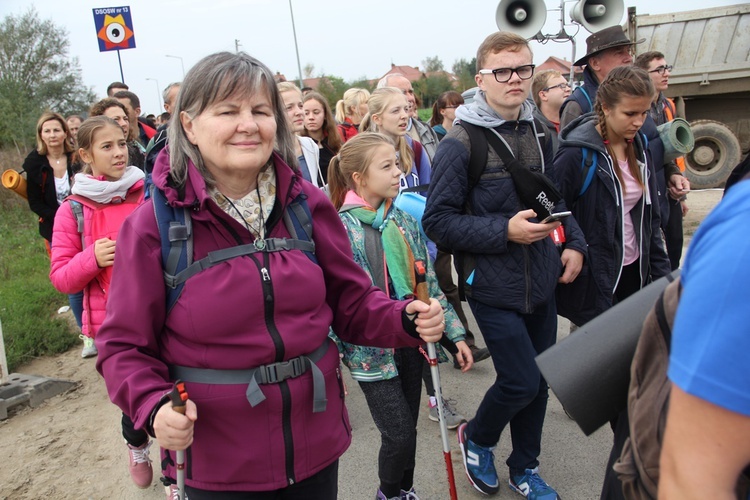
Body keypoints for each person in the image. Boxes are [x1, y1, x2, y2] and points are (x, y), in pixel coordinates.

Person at [94, 51, 446, 499]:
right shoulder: (154, 226)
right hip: (218, 462)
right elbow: (123, 346)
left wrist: (403, 318)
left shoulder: (307, 206)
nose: (248, 124)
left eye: (261, 111)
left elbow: (352, 304)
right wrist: (153, 405)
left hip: (315, 448)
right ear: (188, 125)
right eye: (228, 111)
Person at [423, 31, 587, 499]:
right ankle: (477, 437)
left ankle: (525, 467)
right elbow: (438, 222)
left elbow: (554, 197)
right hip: (492, 284)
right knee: (519, 380)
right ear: (482, 79)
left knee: (539, 384)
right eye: (503, 71)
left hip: (542, 280)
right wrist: (504, 232)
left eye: (523, 69)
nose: (514, 79)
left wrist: (573, 241)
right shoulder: (460, 142)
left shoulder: (540, 130)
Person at [327, 132, 473, 500]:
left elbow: (429, 284)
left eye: (397, 163)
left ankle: (406, 489)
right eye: (387, 166)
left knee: (409, 427)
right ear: (359, 177)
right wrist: (329, 357)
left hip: (411, 341)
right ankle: (389, 493)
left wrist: (454, 336)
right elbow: (332, 299)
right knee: (399, 432)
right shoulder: (339, 230)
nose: (399, 172)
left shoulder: (405, 221)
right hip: (369, 350)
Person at [553, 66, 671, 500]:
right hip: (598, 283)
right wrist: (575, 244)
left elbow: (649, 217)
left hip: (636, 278)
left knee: (638, 385)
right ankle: (632, 472)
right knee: (629, 391)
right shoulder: (578, 152)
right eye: (631, 113)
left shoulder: (640, 145)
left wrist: (664, 277)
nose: (640, 121)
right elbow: (553, 202)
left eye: (645, 112)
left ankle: (633, 468)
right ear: (604, 108)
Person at [48, 116, 153, 489]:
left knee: (175, 392)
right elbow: (61, 276)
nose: (118, 153)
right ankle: (136, 442)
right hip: (115, 325)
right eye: (106, 147)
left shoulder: (149, 193)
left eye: (122, 143)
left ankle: (177, 476)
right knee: (135, 400)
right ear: (85, 154)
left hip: (163, 313)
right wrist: (92, 257)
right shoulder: (73, 210)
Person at [659, 177, 750, 500]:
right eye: (630, 119)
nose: (638, 122)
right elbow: (691, 480)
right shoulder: (743, 232)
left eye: (642, 119)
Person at [22, 111, 85, 347]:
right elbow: (35, 203)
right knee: (74, 281)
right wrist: (62, 218)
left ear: (65, 132)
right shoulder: (33, 163)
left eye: (56, 130)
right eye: (46, 131)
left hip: (87, 225)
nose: (52, 135)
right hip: (55, 231)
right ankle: (87, 336)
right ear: (41, 135)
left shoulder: (78, 158)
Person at [634, 51, 691, 270]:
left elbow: (674, 152)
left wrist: (679, 186)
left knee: (675, 245)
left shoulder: (668, 106)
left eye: (667, 68)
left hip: (670, 190)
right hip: (650, 189)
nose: (665, 74)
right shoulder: (638, 109)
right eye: (659, 70)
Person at [559, 25, 643, 130]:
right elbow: (568, 145)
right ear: (595, 63)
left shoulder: (637, 95)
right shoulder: (577, 105)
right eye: (619, 53)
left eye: (628, 51)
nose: (629, 58)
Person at [360, 87, 431, 191]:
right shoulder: (365, 154)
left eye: (406, 109)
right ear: (377, 119)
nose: (404, 116)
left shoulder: (415, 148)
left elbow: (428, 194)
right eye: (395, 111)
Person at [378, 74, 439, 161]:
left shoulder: (427, 131)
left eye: (411, 92)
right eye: (402, 93)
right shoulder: (369, 141)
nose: (410, 98)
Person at [278, 81, 324, 187]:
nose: (298, 112)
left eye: (300, 106)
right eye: (289, 108)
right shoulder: (269, 152)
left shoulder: (310, 145)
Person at [89, 98, 145, 171]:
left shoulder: (137, 152)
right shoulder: (89, 157)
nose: (124, 124)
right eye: (116, 119)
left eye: (125, 119)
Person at [302, 91, 342, 183]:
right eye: (306, 113)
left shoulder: (334, 143)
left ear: (325, 115)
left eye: (316, 112)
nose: (311, 117)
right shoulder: (299, 146)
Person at [531, 70, 571, 155]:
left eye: (567, 85)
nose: (568, 89)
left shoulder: (575, 122)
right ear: (543, 95)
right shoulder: (531, 128)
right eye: (561, 86)